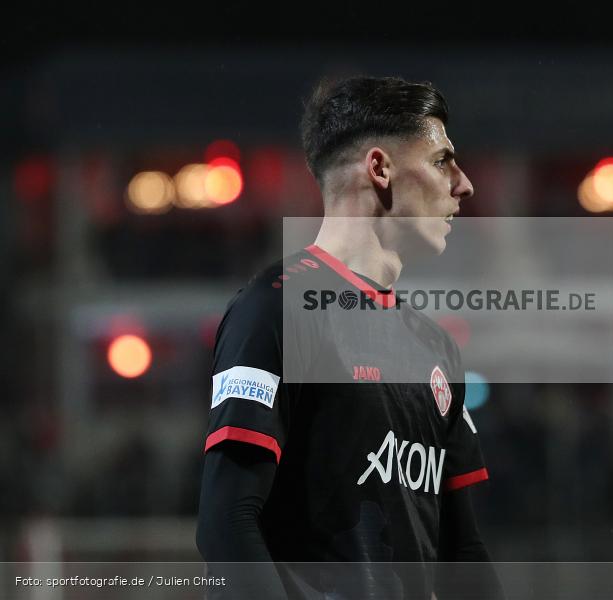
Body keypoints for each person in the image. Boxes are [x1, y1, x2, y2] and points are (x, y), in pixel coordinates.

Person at [196, 75, 503, 599]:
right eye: (441, 161)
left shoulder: (436, 348)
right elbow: (226, 524)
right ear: (380, 168)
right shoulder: (275, 308)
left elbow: (462, 551)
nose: (464, 184)